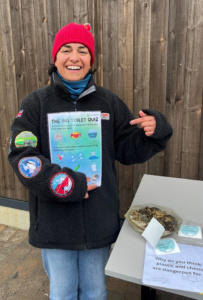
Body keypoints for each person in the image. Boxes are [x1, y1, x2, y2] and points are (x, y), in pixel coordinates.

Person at [8, 22, 173, 300]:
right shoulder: (36, 103)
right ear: (55, 57)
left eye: (83, 51)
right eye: (66, 50)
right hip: (55, 222)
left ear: (91, 59)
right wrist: (66, 184)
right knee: (62, 292)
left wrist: (153, 134)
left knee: (96, 291)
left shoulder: (108, 102)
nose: (75, 57)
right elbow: (23, 157)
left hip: (99, 219)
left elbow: (126, 148)